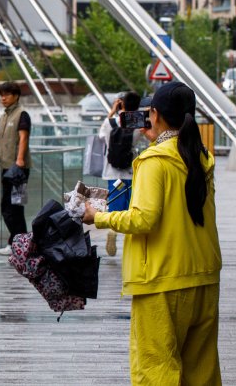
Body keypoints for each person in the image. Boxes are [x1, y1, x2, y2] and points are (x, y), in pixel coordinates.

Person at [82, 82, 221, 385]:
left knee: (156, 369)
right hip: (204, 276)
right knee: (202, 372)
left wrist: (97, 217)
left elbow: (144, 219)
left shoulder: (154, 161)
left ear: (154, 114)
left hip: (162, 280)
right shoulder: (201, 156)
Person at [0, 82, 31, 255]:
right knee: (9, 206)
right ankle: (18, 242)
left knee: (14, 207)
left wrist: (19, 160)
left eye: (6, 95)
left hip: (18, 169)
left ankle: (17, 243)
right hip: (6, 168)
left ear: (16, 96)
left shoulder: (22, 114)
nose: (3, 98)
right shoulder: (4, 116)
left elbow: (23, 137)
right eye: (1, 95)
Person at [98, 91, 143, 256]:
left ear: (121, 104)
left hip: (112, 174)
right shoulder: (137, 124)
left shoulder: (110, 122)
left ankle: (112, 229)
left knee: (115, 205)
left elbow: (101, 136)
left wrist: (113, 110)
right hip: (130, 172)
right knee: (130, 206)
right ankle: (131, 239)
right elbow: (143, 137)